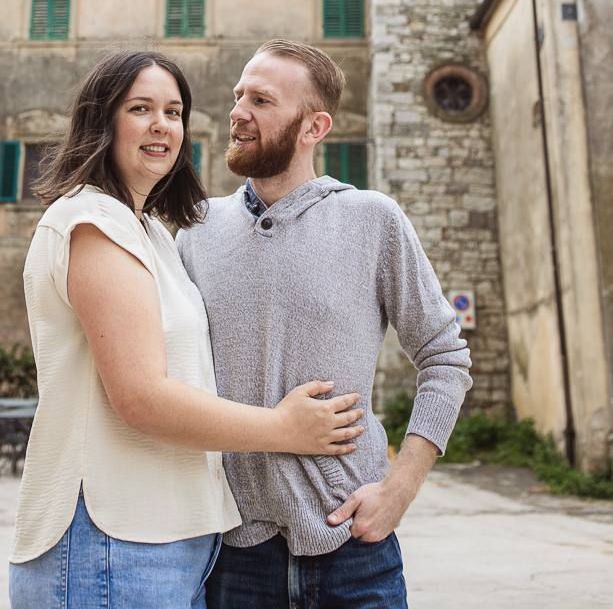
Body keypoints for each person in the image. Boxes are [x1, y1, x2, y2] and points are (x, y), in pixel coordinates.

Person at [8, 48, 364, 609]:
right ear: (102, 120)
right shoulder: (93, 223)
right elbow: (143, 398)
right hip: (110, 545)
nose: (161, 125)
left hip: (164, 545)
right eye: (140, 108)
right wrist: (285, 428)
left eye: (174, 112)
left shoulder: (151, 232)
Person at [177, 39, 472, 609]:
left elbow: (445, 356)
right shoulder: (196, 232)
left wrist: (401, 486)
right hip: (231, 556)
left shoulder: (373, 220)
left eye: (261, 100)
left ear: (314, 127)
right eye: (239, 94)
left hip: (354, 550)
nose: (237, 112)